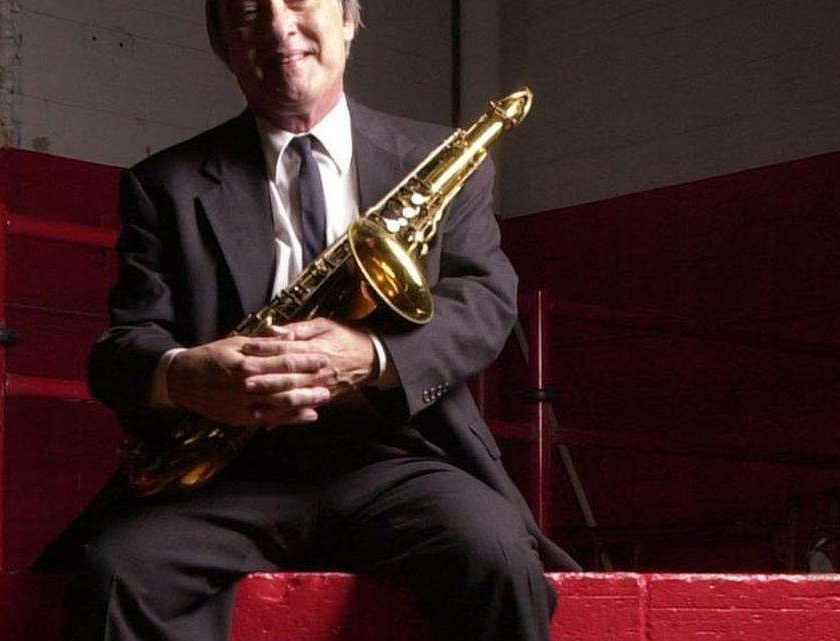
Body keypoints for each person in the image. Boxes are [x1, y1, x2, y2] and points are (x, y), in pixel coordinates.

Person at [40, 1, 580, 639]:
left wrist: (371, 356)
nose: (278, 27)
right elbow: (124, 344)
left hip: (395, 456)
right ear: (223, 45)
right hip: (233, 471)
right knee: (117, 573)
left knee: (496, 559)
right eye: (249, 12)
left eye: (300, 0)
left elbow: (484, 298)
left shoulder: (438, 157)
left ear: (349, 20)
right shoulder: (163, 184)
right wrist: (186, 376)